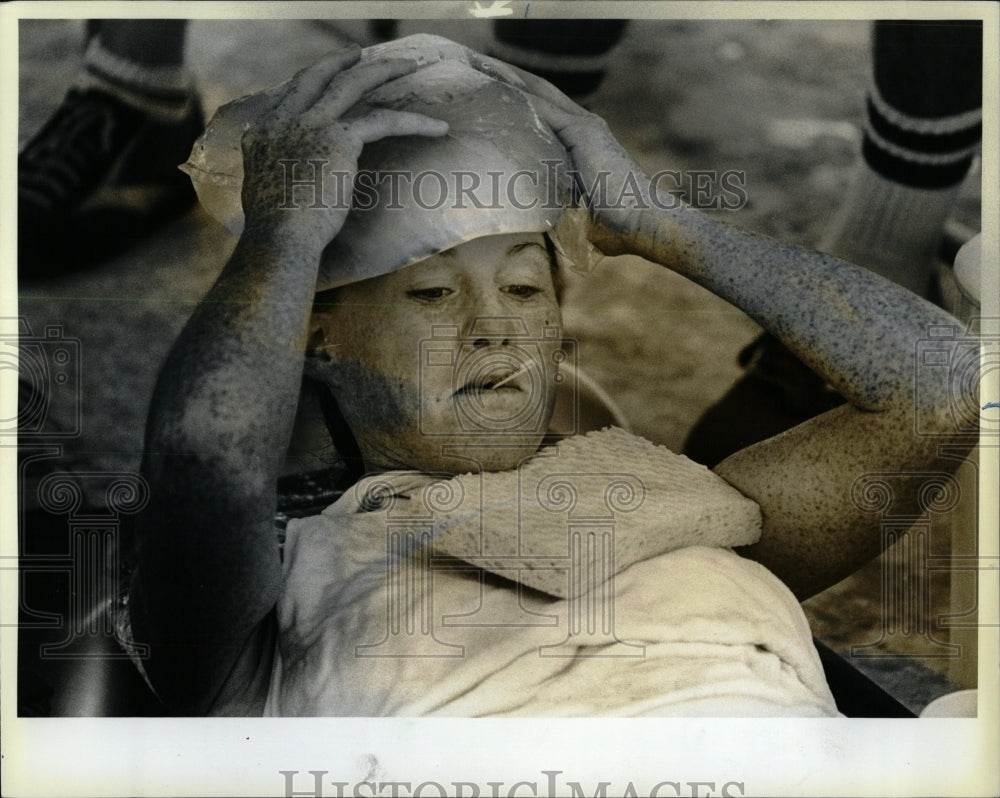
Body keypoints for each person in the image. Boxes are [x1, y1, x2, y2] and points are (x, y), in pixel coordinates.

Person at [125, 36, 975, 716]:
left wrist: (659, 222)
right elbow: (208, 450)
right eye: (430, 292)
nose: (495, 325)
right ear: (319, 340)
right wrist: (284, 238)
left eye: (526, 287)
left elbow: (946, 384)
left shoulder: (681, 508)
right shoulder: (275, 587)